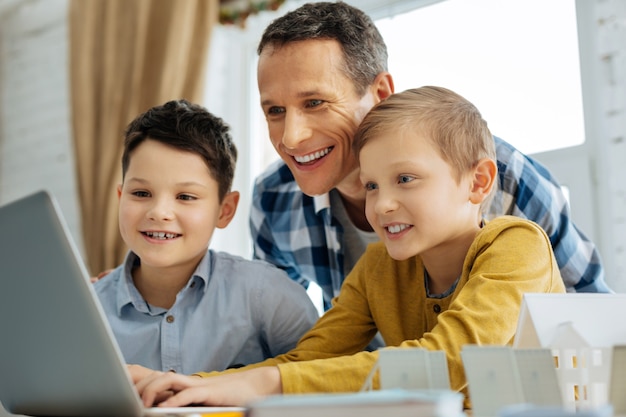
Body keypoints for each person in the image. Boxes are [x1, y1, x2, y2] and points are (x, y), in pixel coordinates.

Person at [129, 86, 567, 408]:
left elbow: (454, 361)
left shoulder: (516, 245)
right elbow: (309, 356)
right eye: (372, 185)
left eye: (405, 179)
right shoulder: (379, 265)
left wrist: (264, 385)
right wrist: (187, 385)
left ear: (478, 182)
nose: (382, 204)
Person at [249, 1, 611, 312]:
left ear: (380, 94)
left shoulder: (500, 177)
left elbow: (594, 321)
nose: (291, 137)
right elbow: (277, 337)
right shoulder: (273, 200)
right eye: (275, 111)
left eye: (315, 103)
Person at [93, 99, 319, 375]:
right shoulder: (86, 310)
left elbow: (318, 384)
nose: (160, 212)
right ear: (120, 198)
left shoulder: (270, 297)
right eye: (141, 194)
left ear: (224, 211)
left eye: (185, 197)